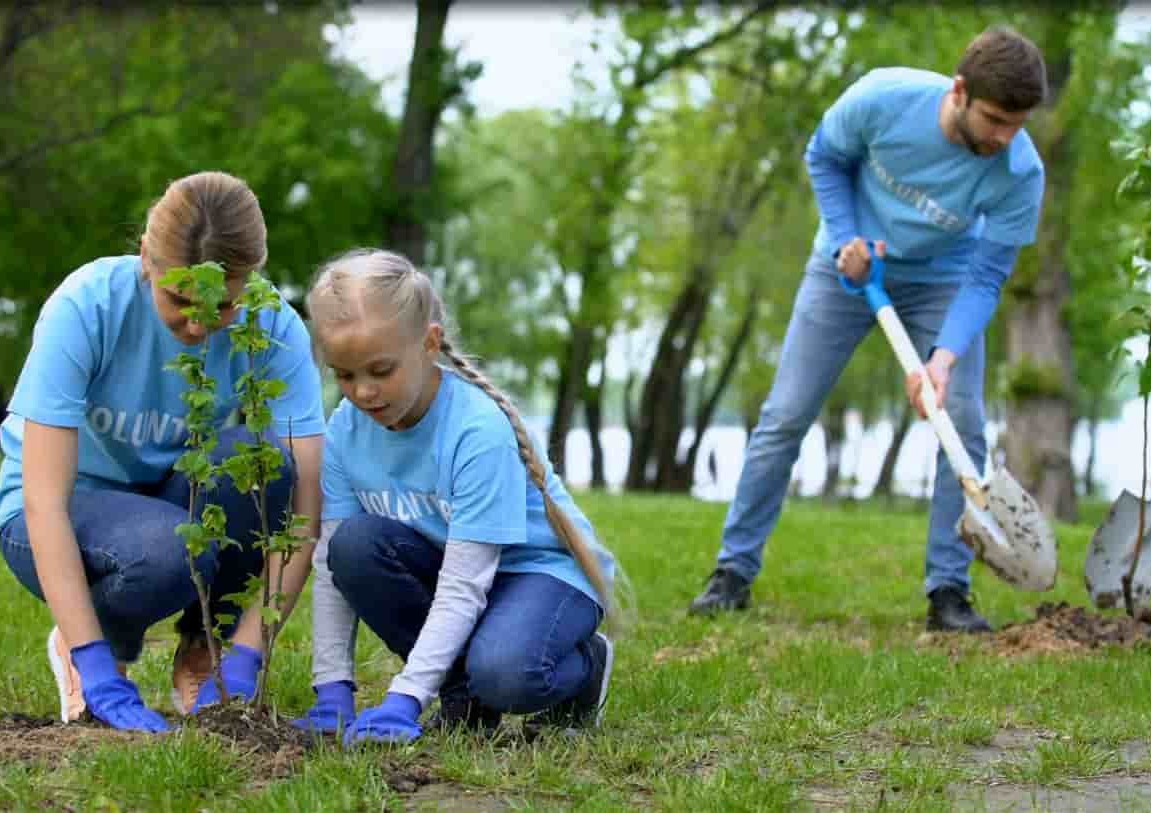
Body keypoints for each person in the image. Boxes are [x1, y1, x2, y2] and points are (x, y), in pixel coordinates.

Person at [687, 27, 1049, 633]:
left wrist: (944, 359)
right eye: (994, 120)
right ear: (959, 92)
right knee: (785, 415)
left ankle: (948, 591)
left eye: (1017, 123)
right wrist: (845, 235)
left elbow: (987, 276)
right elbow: (824, 156)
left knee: (961, 421)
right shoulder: (882, 99)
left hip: (944, 280)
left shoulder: (1020, 171)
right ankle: (733, 572)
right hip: (848, 269)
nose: (1005, 137)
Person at [0, 171, 327, 731]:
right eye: (179, 298)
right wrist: (93, 662)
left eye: (221, 305)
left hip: (170, 499)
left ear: (249, 280)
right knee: (166, 552)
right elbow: (43, 502)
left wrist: (247, 652)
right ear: (146, 257)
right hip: (61, 513)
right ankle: (93, 640)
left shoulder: (272, 329)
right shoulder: (86, 307)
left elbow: (304, 514)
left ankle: (205, 650)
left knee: (262, 466)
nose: (198, 325)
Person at [291, 248, 621, 744]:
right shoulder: (344, 432)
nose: (362, 392)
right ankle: (465, 699)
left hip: (540, 574)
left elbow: (464, 584)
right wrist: (332, 690)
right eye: (344, 374)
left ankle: (583, 667)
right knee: (353, 548)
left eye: (381, 371)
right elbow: (331, 567)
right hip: (453, 567)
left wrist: (405, 698)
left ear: (429, 344)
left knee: (508, 673)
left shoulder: (476, 430)